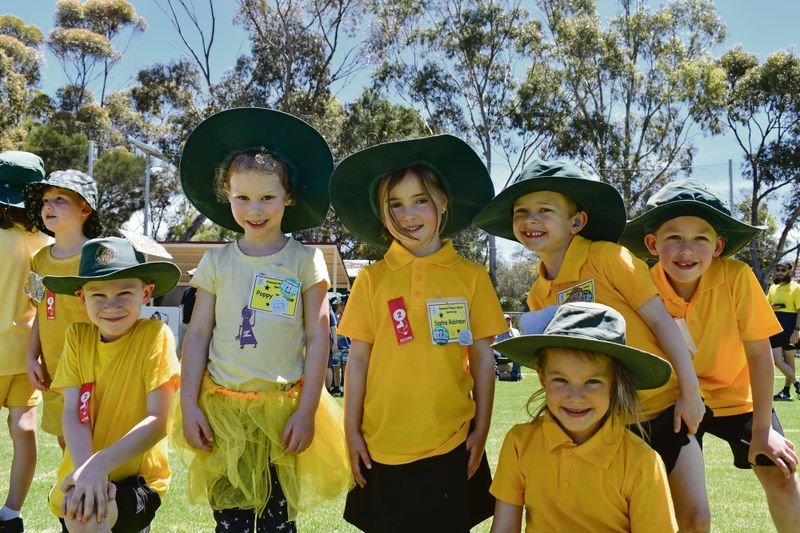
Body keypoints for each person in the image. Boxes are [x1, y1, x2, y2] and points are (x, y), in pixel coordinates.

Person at [474, 159, 705, 531]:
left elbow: (662, 321)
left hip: (663, 409)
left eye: (544, 211)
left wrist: (691, 390)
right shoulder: (538, 293)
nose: (530, 220)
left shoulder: (610, 258)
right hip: (599, 423)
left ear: (577, 222)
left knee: (693, 517)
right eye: (522, 212)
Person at [175, 108, 352, 532]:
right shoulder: (215, 262)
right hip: (222, 413)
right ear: (227, 195)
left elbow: (318, 338)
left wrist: (307, 410)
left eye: (267, 197)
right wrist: (188, 403)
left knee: (277, 526)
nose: (255, 209)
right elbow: (197, 334)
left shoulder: (305, 260)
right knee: (230, 523)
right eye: (243, 198)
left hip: (283, 415)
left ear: (288, 198)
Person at [330, 135, 507, 532]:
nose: (408, 214)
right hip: (381, 449)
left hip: (451, 445)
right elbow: (357, 360)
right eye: (396, 204)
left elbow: (483, 360)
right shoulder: (372, 280)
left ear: (443, 202)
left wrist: (481, 430)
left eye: (420, 200)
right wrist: (351, 431)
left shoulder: (472, 279)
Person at [620, 178, 800, 532]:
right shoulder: (639, 284)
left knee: (780, 473)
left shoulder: (737, 276)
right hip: (675, 401)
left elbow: (759, 353)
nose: (687, 250)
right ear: (652, 244)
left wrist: (763, 431)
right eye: (674, 238)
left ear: (718, 246)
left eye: (700, 238)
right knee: (691, 516)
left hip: (737, 397)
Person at [491, 302, 677, 532]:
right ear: (541, 376)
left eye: (592, 382)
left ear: (615, 384)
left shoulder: (642, 463)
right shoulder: (519, 443)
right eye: (561, 380)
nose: (576, 397)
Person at [42, 236, 181, 532]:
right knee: (84, 512)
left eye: (124, 292)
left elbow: (158, 421)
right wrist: (85, 472)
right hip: (80, 474)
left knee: (92, 517)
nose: (112, 306)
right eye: (98, 296)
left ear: (146, 293)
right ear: (82, 298)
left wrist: (99, 466)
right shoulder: (77, 338)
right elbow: (73, 414)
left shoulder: (156, 335)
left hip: (137, 481)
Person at [23, 170, 101, 449]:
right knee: (66, 443)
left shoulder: (98, 257)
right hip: (55, 372)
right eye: (45, 201)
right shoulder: (38, 260)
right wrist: (32, 358)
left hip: (95, 369)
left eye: (59, 198)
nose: (49, 206)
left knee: (97, 442)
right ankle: (71, 493)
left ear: (85, 208)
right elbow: (40, 313)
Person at [0, 151, 49, 532]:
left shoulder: (43, 245)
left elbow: (38, 298)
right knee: (25, 430)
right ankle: (12, 512)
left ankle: (11, 513)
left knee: (25, 428)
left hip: (25, 356)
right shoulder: (46, 243)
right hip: (27, 356)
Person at [766, 260, 800, 400]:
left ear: (790, 271)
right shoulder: (773, 287)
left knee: (789, 360)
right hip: (775, 326)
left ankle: (786, 391)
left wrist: (796, 330)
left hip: (790, 326)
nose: (780, 272)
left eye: (783, 270)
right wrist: (771, 308)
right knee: (777, 360)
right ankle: (798, 384)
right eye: (778, 269)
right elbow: (765, 305)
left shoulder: (796, 287)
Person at [495, 314, 522, 381]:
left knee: (518, 352)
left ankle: (515, 375)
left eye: (508, 320)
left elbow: (518, 343)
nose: (507, 322)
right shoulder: (496, 331)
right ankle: (496, 375)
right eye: (505, 320)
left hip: (510, 352)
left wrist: (511, 331)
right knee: (491, 352)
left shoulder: (515, 331)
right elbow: (493, 343)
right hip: (499, 352)